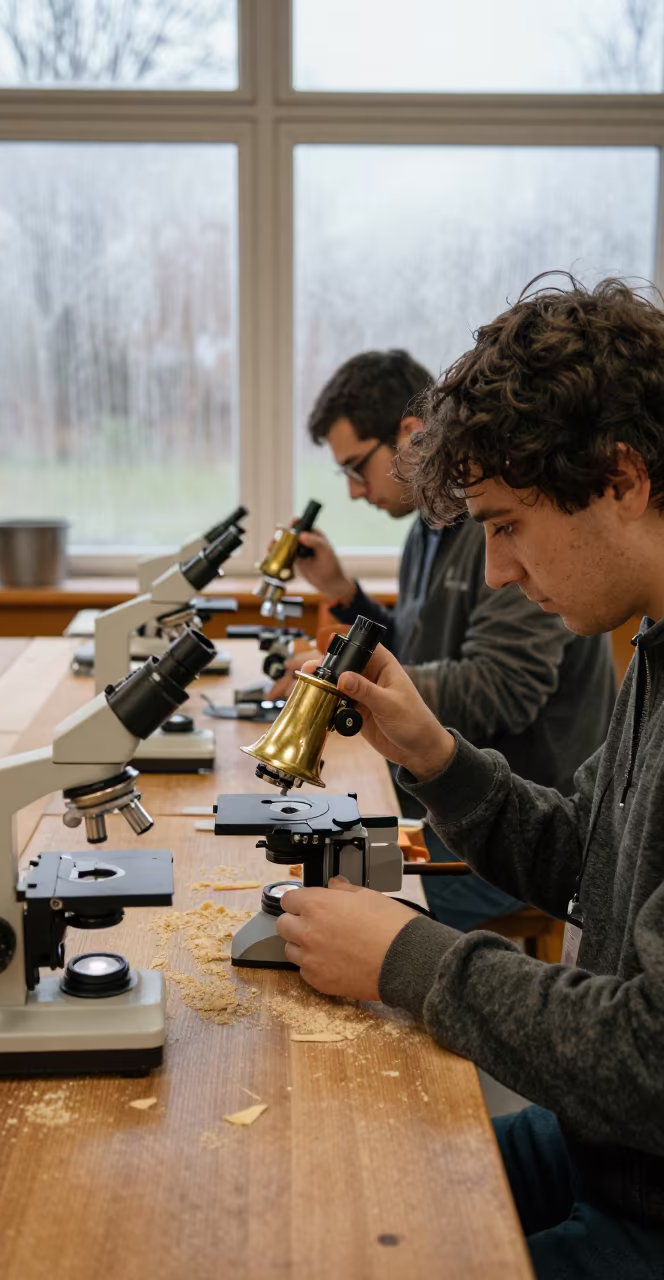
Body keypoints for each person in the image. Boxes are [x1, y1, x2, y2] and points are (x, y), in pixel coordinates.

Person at [276, 277, 664, 1278]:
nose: (494, 571)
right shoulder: (653, 645)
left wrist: (411, 955)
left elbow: (647, 1059)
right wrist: (435, 757)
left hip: (647, 1195)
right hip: (607, 1149)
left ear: (621, 479)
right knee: (338, 1199)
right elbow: (586, 851)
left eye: (505, 524)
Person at [274, 348, 616, 929]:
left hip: (525, 826)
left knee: (330, 901)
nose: (355, 491)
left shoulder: (510, 535)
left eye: (357, 467)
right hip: (458, 802)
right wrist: (341, 591)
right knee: (308, 872)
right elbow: (415, 645)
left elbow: (499, 686)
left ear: (410, 433)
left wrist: (359, 688)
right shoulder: (427, 531)